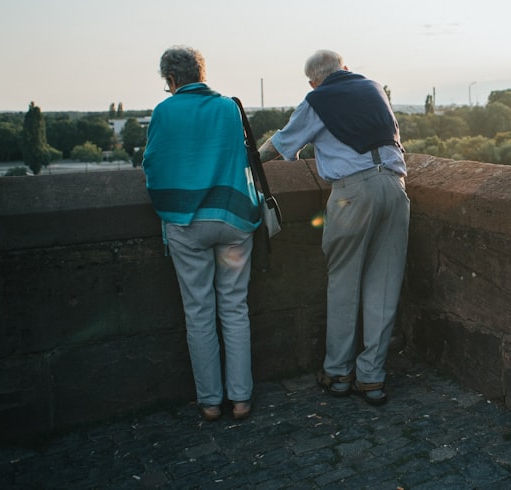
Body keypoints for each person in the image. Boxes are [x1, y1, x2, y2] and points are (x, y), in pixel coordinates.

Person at [259, 49, 409, 406]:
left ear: (313, 81)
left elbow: (279, 146)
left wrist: (247, 159)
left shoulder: (317, 99)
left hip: (353, 193)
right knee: (384, 286)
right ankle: (372, 379)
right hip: (395, 186)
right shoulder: (374, 88)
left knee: (344, 283)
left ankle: (338, 373)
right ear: (346, 68)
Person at [142, 46, 260, 422]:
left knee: (199, 312)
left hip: (187, 222)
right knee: (235, 307)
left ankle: (210, 402)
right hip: (232, 218)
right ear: (202, 72)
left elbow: (153, 164)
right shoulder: (229, 107)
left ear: (172, 80)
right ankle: (241, 399)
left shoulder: (165, 111)